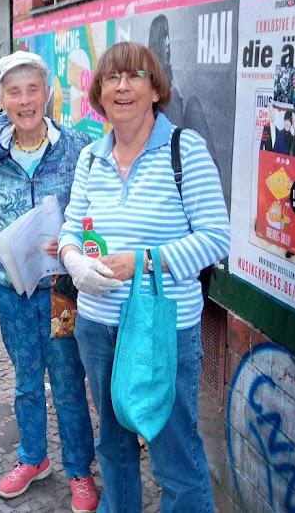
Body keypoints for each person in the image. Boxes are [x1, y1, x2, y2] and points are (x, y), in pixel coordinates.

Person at [57, 41, 230, 512]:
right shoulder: (91, 157)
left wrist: (143, 262)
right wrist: (74, 262)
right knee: (113, 446)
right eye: (112, 78)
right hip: (97, 324)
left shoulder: (184, 150)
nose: (123, 86)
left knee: (174, 452)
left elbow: (216, 238)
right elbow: (72, 225)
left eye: (135, 76)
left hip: (161, 327)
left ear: (155, 89)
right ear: (99, 94)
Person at [0, 51, 98, 513]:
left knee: (66, 379)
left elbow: (96, 217)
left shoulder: (79, 148)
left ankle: (80, 470)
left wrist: (76, 242)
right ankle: (33, 458)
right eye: (14, 91)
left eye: (33, 89)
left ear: (47, 93)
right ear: (2, 98)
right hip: (12, 292)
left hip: (63, 289)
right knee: (25, 379)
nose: (25, 101)